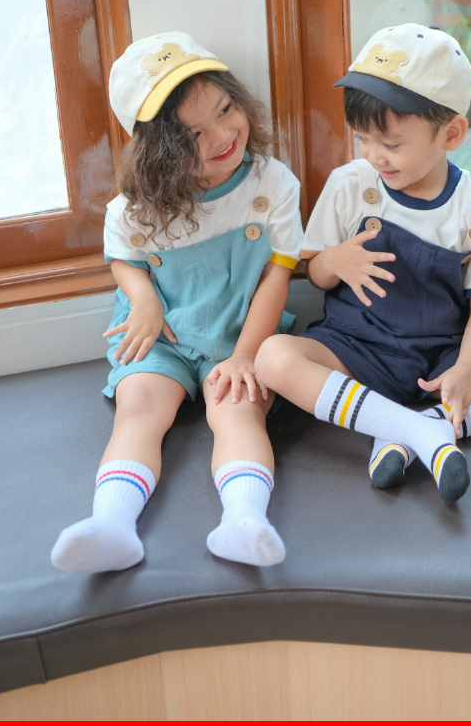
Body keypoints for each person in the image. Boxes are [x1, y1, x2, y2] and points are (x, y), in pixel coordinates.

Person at [254, 24, 471, 499]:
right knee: (272, 357)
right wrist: (335, 261)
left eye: (391, 144)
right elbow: (315, 273)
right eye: (363, 139)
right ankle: (416, 430)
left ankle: (421, 426)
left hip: (441, 355)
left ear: (451, 133)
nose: (374, 156)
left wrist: (467, 370)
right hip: (355, 349)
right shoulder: (350, 186)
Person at [51, 33, 303, 572]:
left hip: (240, 332)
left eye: (226, 109)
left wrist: (245, 355)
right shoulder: (135, 207)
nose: (222, 135)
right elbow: (124, 259)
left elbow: (277, 276)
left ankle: (244, 519)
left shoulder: (272, 184)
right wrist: (142, 298)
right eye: (193, 134)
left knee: (238, 412)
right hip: (159, 335)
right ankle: (111, 524)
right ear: (160, 151)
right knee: (139, 409)